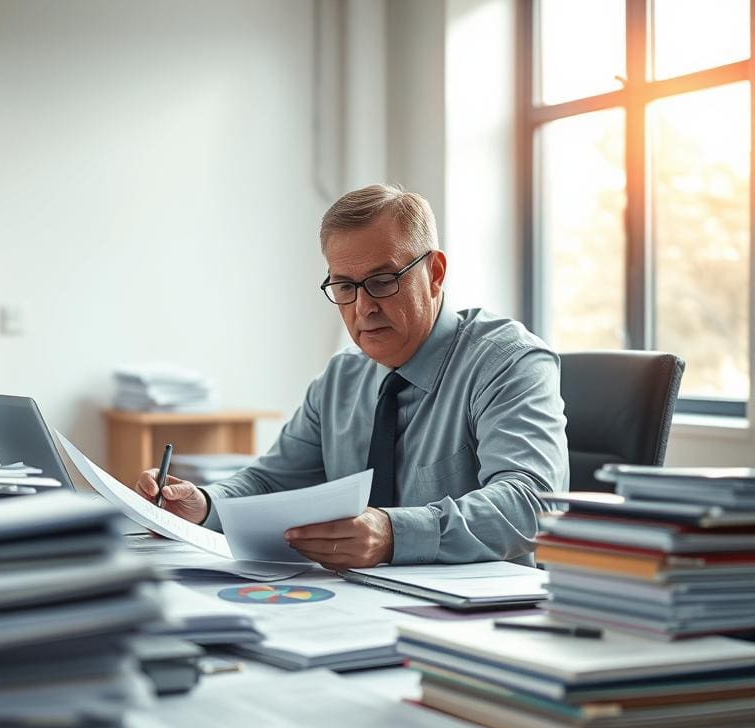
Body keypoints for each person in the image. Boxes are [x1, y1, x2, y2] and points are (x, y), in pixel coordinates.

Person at [135, 184, 568, 569]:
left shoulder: (508, 361)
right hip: (357, 604)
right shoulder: (344, 375)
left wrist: (394, 533)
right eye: (344, 286)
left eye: (382, 281)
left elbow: (533, 504)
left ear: (434, 273)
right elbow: (272, 480)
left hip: (478, 621)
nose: (363, 308)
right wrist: (205, 504)